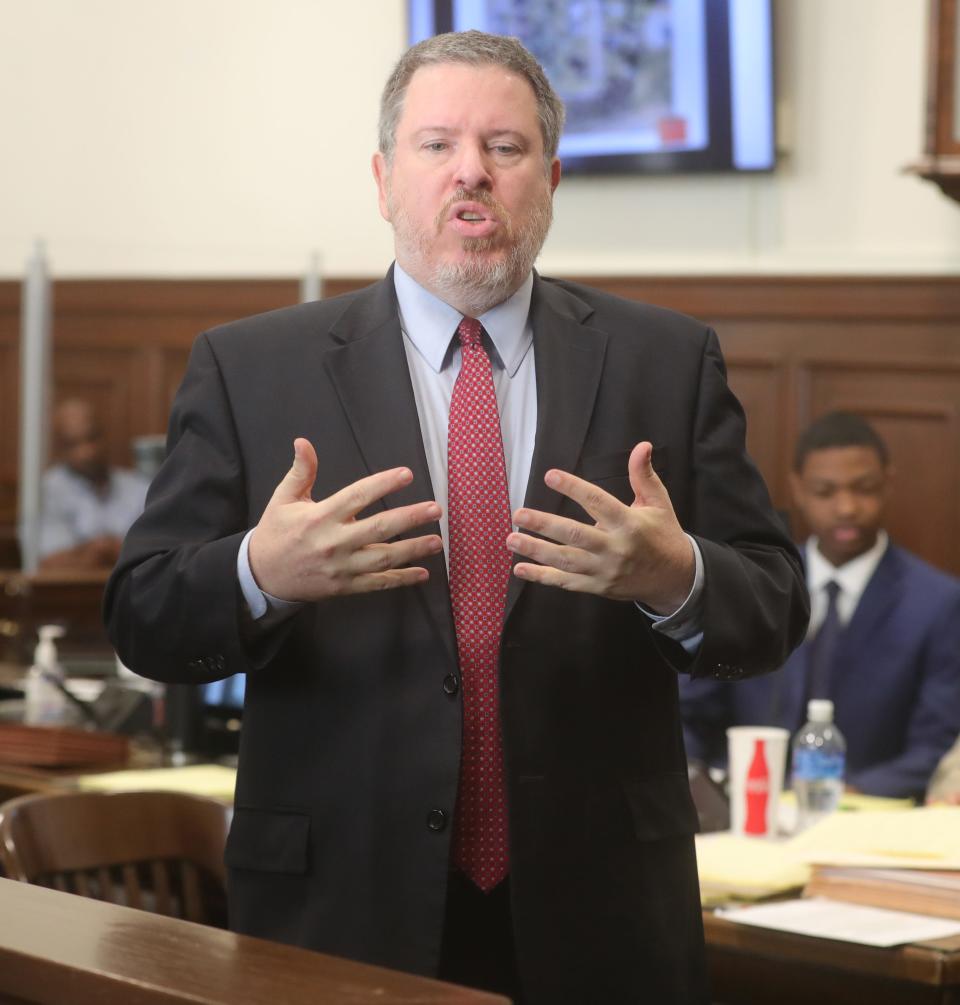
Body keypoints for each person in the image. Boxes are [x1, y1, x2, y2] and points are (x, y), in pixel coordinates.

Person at [104, 31, 807, 1004]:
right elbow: (143, 619)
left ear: (552, 178)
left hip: (602, 915)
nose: (471, 172)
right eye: (437, 146)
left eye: (506, 148)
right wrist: (257, 573)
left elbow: (772, 610)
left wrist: (676, 578)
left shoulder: (667, 363)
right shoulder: (250, 368)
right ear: (385, 178)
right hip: (337, 910)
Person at [681, 412, 960, 802]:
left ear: (887, 485)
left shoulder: (938, 602)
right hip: (740, 807)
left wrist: (844, 795)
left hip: (865, 816)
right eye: (825, 492)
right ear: (798, 489)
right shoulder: (751, 584)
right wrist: (710, 784)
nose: (846, 508)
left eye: (863, 488)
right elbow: (690, 711)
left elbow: (935, 745)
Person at [37, 398, 149, 571]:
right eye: (73, 444)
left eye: (92, 438)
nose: (86, 452)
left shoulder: (139, 487)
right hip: (71, 595)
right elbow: (50, 562)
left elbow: (155, 555)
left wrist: (89, 552)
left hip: (133, 592)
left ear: (105, 435)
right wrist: (112, 550)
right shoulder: (47, 491)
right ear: (59, 448)